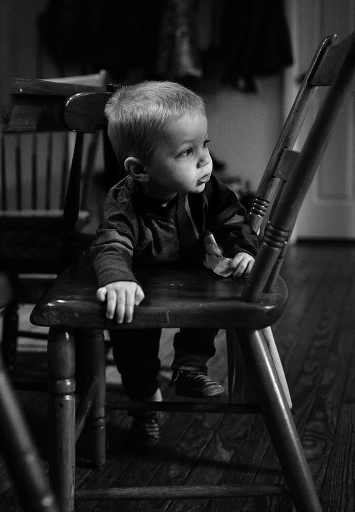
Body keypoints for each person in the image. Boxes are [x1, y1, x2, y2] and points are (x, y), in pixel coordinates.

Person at [90, 81, 258, 446]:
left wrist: (243, 249)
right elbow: (111, 243)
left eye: (205, 145)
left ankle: (189, 366)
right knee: (130, 336)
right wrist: (118, 278)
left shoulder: (207, 188)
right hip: (140, 278)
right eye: (187, 152)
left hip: (189, 270)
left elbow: (233, 220)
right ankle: (144, 403)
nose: (205, 160)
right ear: (140, 170)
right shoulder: (124, 201)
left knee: (212, 302)